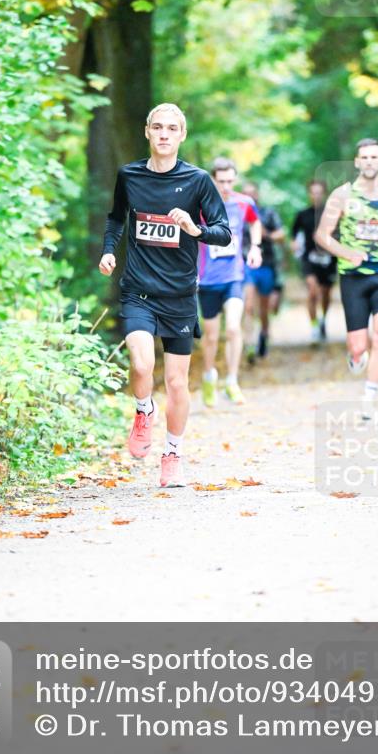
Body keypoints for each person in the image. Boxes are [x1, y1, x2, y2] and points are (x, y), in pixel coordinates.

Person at [99, 103, 231, 487]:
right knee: (140, 364)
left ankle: (172, 452)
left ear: (182, 135)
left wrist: (194, 228)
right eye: (157, 127)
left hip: (180, 295)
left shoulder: (198, 181)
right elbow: (115, 217)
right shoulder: (130, 175)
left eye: (172, 129)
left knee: (176, 382)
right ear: (147, 131)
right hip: (139, 289)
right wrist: (110, 249)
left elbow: (223, 231)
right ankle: (144, 410)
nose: (164, 134)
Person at [314, 138, 378, 416]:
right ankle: (357, 354)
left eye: (375, 157)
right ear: (357, 162)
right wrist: (346, 252)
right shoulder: (342, 195)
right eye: (365, 157)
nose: (370, 162)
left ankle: (369, 396)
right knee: (359, 345)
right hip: (353, 278)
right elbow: (322, 235)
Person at [198, 159, 262, 406]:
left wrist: (255, 247)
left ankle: (232, 381)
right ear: (213, 180)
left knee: (234, 328)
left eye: (229, 181)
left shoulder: (243, 203)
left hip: (234, 277)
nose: (225, 186)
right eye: (220, 181)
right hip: (207, 281)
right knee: (212, 337)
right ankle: (208, 375)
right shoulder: (201, 205)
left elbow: (255, 221)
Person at [242, 181, 286, 360]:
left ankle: (264, 335)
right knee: (249, 305)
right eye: (246, 193)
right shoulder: (238, 213)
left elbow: (282, 234)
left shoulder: (268, 213)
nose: (249, 196)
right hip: (246, 266)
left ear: (257, 194)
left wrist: (265, 234)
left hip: (267, 264)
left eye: (252, 193)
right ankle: (249, 344)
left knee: (263, 309)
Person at [290, 179, 337, 343]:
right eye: (313, 192)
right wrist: (294, 243)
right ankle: (314, 325)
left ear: (323, 194)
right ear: (309, 194)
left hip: (328, 259)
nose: (316, 196)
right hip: (309, 259)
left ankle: (323, 318)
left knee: (325, 294)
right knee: (312, 291)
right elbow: (294, 234)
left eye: (319, 192)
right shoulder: (302, 215)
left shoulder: (332, 213)